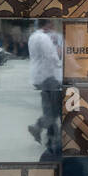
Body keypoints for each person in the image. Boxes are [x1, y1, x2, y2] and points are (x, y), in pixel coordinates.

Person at [26, 19, 62, 152]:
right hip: (49, 77)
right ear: (47, 25)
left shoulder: (33, 36)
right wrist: (59, 55)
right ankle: (40, 129)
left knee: (51, 108)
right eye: (51, 24)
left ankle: (51, 136)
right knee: (54, 110)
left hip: (39, 76)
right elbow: (52, 57)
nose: (53, 27)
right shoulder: (43, 38)